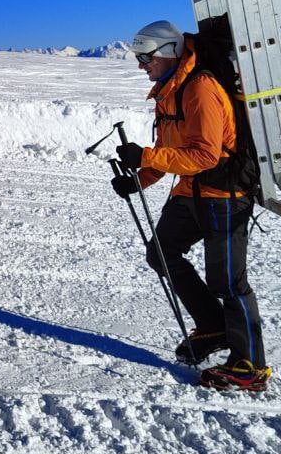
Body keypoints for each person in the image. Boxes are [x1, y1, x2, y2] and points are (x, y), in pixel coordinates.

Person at [109, 19, 271, 392]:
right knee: (162, 253)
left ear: (169, 52)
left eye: (145, 57)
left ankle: (250, 366)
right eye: (138, 57)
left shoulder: (200, 89)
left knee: (229, 282)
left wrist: (145, 156)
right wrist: (139, 178)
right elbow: (174, 152)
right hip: (191, 191)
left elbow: (205, 156)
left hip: (224, 195)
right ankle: (214, 326)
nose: (140, 65)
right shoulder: (170, 91)